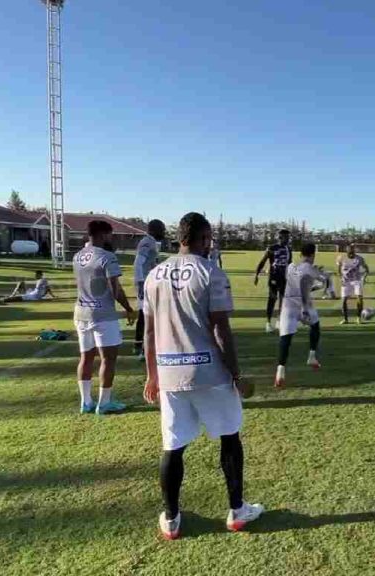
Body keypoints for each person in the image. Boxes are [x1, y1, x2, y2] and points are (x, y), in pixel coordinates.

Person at [141, 212, 263, 540]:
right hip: (210, 372)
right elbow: (220, 328)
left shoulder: (153, 275)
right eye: (210, 239)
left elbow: (149, 332)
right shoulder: (212, 273)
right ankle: (237, 511)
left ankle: (171, 518)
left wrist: (151, 375)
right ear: (205, 238)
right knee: (229, 437)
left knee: (173, 446)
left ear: (179, 237)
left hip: (168, 374)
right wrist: (236, 373)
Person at [73, 220, 136, 415]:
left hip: (81, 312)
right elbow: (115, 290)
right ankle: (104, 402)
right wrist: (128, 308)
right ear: (103, 234)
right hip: (103, 315)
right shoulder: (107, 257)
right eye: (110, 234)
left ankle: (86, 402)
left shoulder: (77, 256)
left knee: (86, 358)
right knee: (108, 359)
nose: (112, 237)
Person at [274, 243, 327, 389]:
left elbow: (300, 285)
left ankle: (280, 372)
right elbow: (307, 286)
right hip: (304, 305)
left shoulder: (291, 268)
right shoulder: (311, 269)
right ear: (313, 254)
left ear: (300, 254)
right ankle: (311, 356)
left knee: (285, 339)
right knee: (315, 326)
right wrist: (323, 276)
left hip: (288, 304)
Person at [134, 219, 167, 358]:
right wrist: (141, 283)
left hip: (149, 282)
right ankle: (139, 346)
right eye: (162, 229)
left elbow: (149, 262)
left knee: (149, 313)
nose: (164, 232)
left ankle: (142, 346)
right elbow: (138, 263)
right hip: (145, 284)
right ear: (154, 230)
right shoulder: (147, 242)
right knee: (144, 314)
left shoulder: (152, 242)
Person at [254, 230, 293, 333]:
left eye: (288, 237)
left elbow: (290, 264)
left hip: (284, 278)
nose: (288, 239)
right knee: (272, 298)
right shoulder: (272, 248)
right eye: (286, 237)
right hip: (273, 277)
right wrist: (257, 274)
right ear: (280, 237)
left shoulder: (288, 249)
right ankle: (268, 323)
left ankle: (279, 321)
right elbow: (263, 261)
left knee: (283, 300)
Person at [337, 245, 370, 324]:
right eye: (350, 253)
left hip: (356, 281)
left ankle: (358, 318)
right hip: (346, 281)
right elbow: (338, 270)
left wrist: (364, 278)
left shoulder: (360, 259)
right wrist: (341, 278)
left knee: (359, 298)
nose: (352, 255)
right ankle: (345, 319)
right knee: (344, 300)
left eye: (353, 253)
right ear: (347, 252)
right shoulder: (341, 258)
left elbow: (367, 269)